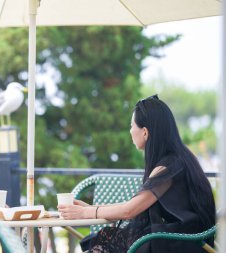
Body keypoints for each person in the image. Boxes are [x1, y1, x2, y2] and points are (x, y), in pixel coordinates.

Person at [58, 95, 216, 253]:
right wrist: (93, 208)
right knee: (106, 238)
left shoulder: (170, 166)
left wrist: (85, 212)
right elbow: (134, 205)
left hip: (184, 243)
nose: (130, 131)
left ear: (145, 132)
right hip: (178, 238)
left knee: (107, 242)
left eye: (131, 125)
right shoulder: (176, 158)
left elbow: (130, 210)